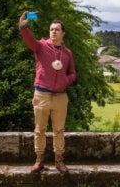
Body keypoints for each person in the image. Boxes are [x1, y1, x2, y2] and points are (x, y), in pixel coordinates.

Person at [18, 12, 76, 174]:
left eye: (57, 29)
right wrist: (23, 27)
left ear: (63, 33)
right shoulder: (41, 46)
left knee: (59, 130)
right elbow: (30, 41)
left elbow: (73, 74)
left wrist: (66, 80)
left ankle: (59, 161)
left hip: (60, 97)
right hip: (41, 95)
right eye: (51, 29)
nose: (54, 31)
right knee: (40, 129)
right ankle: (39, 160)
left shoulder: (67, 53)